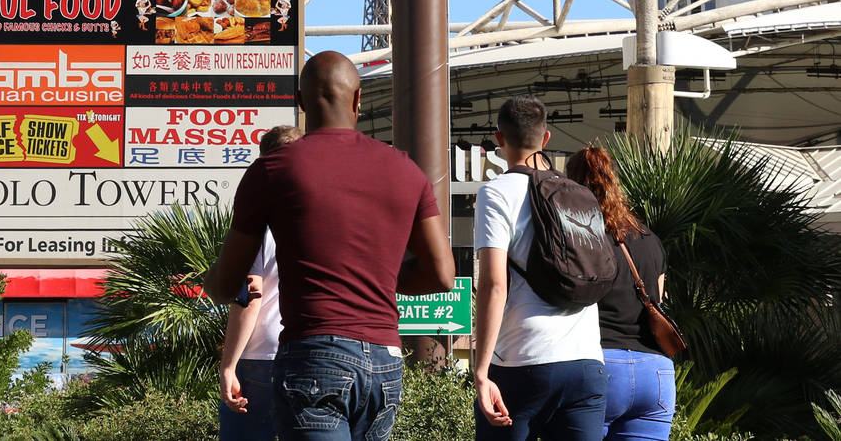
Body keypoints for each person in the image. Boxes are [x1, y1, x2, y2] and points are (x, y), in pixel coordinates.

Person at [204, 50, 455, 441]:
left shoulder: (271, 170)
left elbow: (226, 285)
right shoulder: (406, 169)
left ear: (300, 104)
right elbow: (442, 275)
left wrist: (211, 279)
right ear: (358, 100)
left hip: (314, 354)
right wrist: (382, 279)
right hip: (385, 358)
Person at [474, 95, 607, 441]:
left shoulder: (496, 193)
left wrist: (481, 370)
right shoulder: (579, 193)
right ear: (545, 138)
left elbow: (493, 285)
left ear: (499, 140)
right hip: (587, 364)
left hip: (523, 362)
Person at [565, 145, 676, 441]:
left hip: (600, 365)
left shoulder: (579, 240)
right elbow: (658, 302)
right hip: (656, 373)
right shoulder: (649, 238)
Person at [218, 124, 301, 441]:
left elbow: (251, 295)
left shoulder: (261, 221)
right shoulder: (325, 215)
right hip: (315, 350)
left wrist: (228, 366)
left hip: (262, 355)